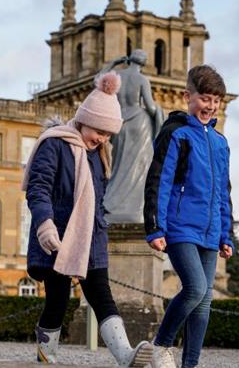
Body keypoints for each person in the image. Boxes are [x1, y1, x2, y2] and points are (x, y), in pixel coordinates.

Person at [23, 72, 153, 367]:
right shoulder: (54, 144)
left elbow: (97, 195)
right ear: (84, 119)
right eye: (99, 131)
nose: (103, 139)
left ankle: (126, 356)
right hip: (57, 235)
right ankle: (46, 357)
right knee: (56, 301)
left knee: (102, 296)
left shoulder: (98, 153)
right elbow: (38, 187)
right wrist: (44, 224)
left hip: (90, 235)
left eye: (108, 135)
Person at [143, 65, 234, 368]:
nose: (210, 106)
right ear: (188, 96)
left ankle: (190, 365)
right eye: (205, 98)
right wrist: (155, 227)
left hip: (210, 231)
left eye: (215, 101)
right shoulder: (176, 133)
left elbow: (223, 191)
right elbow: (159, 179)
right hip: (180, 227)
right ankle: (162, 345)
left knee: (204, 300)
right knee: (195, 288)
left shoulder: (220, 142)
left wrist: (225, 234)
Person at [100, 49, 165, 223]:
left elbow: (98, 81)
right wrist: (160, 114)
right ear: (143, 62)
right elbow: (150, 107)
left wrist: (112, 63)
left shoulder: (118, 76)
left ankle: (111, 203)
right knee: (139, 167)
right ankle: (132, 207)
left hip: (120, 122)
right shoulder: (142, 79)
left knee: (118, 164)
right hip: (139, 122)